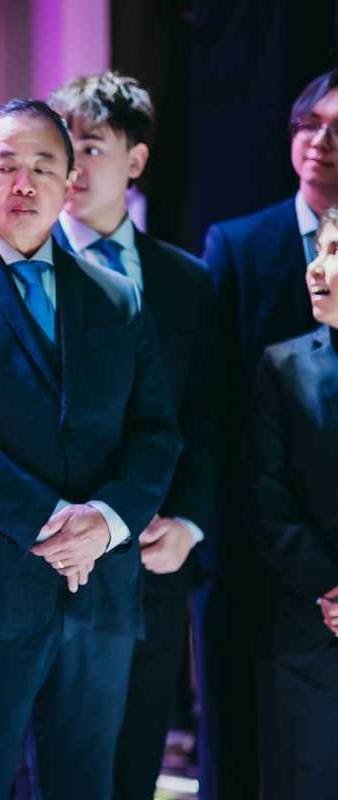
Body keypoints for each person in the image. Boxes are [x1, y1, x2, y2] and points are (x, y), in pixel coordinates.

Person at [0, 99, 181, 800]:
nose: (25, 183)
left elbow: (156, 431)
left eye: (45, 167)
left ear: (69, 182)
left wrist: (105, 521)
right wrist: (49, 519)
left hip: (101, 592)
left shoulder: (118, 297)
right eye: (6, 166)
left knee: (86, 785)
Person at [48, 72, 222, 800]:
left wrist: (189, 523)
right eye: (64, 147)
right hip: (41, 553)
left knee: (133, 758)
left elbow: (209, 418)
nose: (72, 166)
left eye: (91, 147)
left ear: (136, 161)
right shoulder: (13, 271)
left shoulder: (186, 281)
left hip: (149, 558)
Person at [201, 67, 338, 799]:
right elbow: (216, 402)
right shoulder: (239, 244)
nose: (321, 141)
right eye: (308, 124)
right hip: (262, 543)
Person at [243, 205, 338, 800]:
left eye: (336, 251)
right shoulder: (284, 366)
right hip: (308, 623)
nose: (316, 267)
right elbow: (264, 491)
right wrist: (329, 585)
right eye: (317, 250)